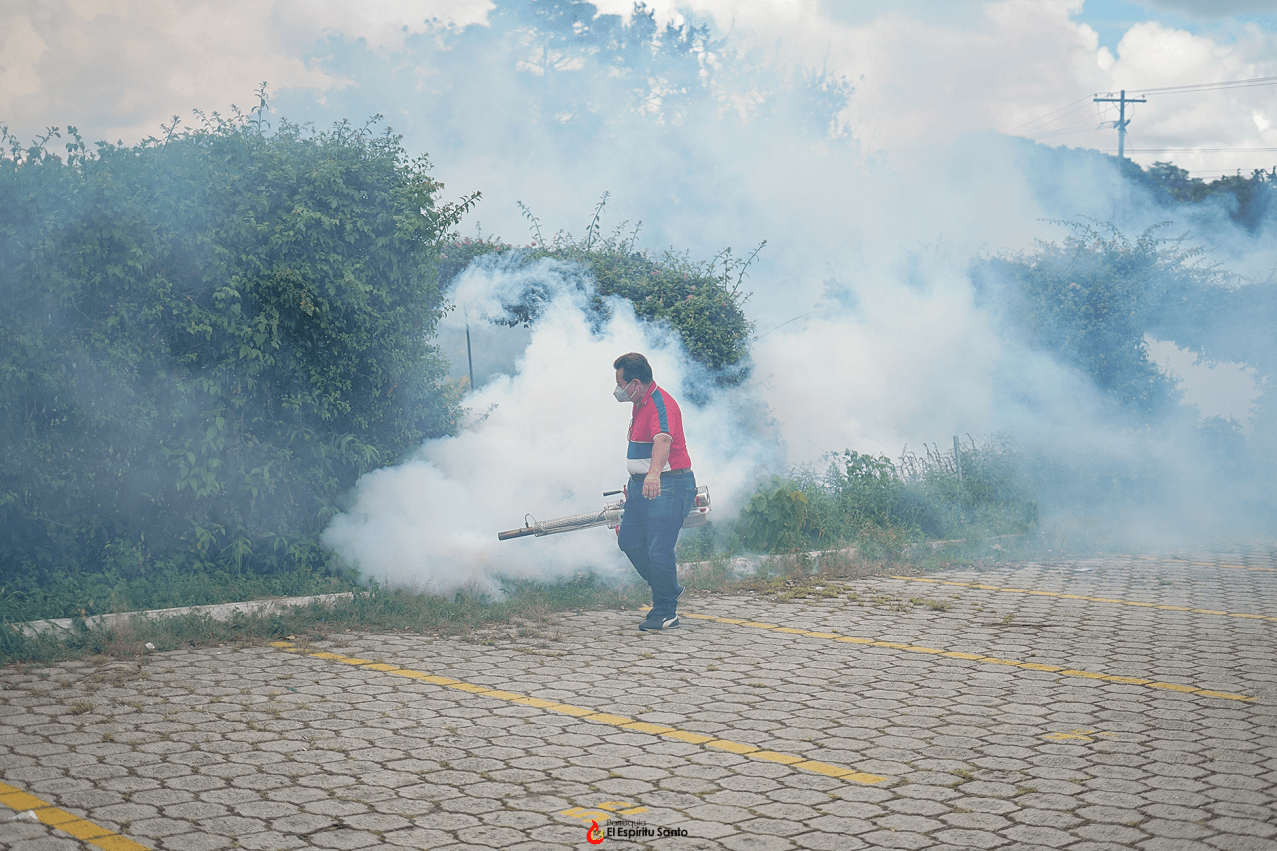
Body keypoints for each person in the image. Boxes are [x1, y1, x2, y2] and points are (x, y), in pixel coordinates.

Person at [613, 352, 697, 631]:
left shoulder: (660, 403)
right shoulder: (641, 403)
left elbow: (662, 440)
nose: (619, 390)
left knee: (659, 551)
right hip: (644, 487)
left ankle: (665, 611)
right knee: (629, 540)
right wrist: (639, 478)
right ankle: (668, 588)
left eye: (621, 384)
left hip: (667, 485)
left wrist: (651, 475)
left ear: (635, 383)